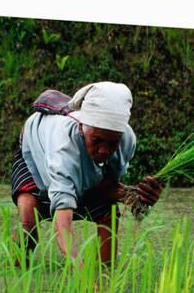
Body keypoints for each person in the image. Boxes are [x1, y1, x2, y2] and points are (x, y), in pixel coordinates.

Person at [11, 81, 162, 265]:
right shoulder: (63, 147)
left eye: (111, 143)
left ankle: (106, 268)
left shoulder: (126, 141)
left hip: (72, 160)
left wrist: (137, 198)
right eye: (97, 140)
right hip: (35, 149)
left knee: (109, 212)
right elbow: (62, 218)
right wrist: (78, 268)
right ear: (82, 128)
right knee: (29, 217)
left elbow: (107, 187)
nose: (105, 151)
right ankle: (14, 269)